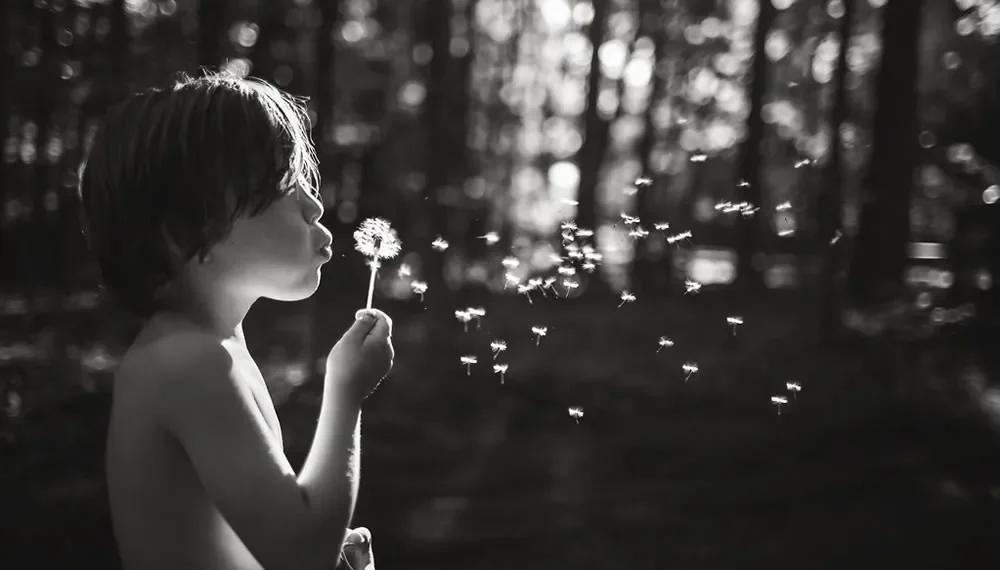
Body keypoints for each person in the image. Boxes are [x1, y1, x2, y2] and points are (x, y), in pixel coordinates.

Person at [77, 71, 392, 570]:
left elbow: (280, 541)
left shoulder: (209, 349)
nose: (315, 206)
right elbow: (301, 551)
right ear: (184, 229)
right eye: (284, 185)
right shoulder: (187, 362)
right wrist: (346, 391)